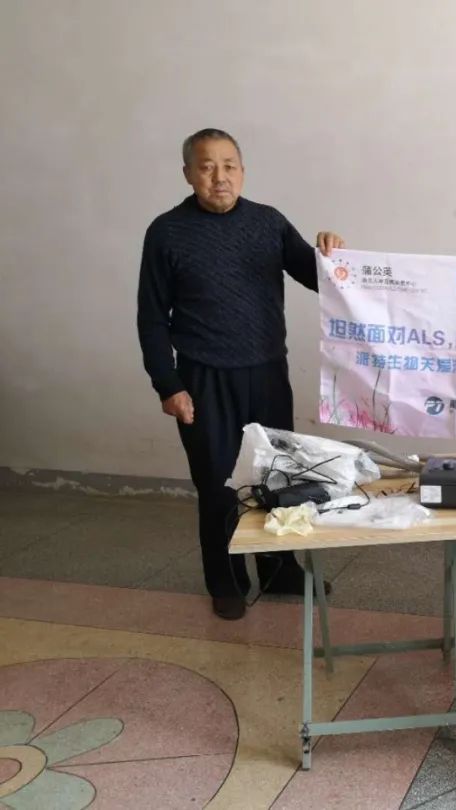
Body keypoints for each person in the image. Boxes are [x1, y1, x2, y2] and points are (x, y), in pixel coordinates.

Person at [137, 128, 345, 621]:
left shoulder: (268, 222)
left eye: (229, 165)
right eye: (207, 166)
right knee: (219, 485)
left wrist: (333, 255)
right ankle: (226, 581)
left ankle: (280, 571)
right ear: (188, 174)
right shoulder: (166, 232)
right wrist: (168, 384)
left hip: (267, 372)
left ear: (243, 171)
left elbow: (320, 279)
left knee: (279, 477)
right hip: (203, 379)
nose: (220, 177)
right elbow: (151, 317)